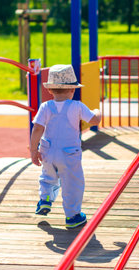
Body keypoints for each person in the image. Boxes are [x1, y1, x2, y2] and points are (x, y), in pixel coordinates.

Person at [30, 64, 101, 228]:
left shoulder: (45, 107)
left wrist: (34, 150)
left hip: (47, 151)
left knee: (48, 177)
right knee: (72, 183)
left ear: (50, 90)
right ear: (73, 90)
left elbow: (38, 128)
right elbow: (94, 120)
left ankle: (45, 199)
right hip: (69, 154)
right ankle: (72, 216)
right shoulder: (77, 106)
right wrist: (97, 111)